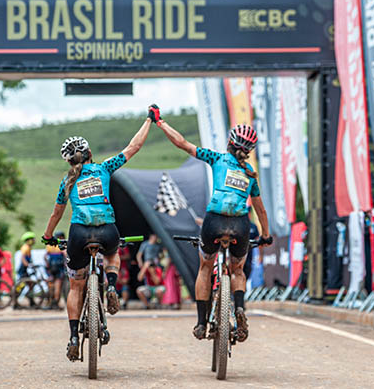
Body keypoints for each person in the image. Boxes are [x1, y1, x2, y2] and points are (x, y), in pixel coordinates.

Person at [153, 111, 272, 342]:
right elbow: (261, 210)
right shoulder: (251, 176)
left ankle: (200, 322)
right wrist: (265, 236)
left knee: (205, 268)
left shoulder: (217, 158)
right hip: (240, 224)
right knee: (237, 270)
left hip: (214, 221)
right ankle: (239, 308)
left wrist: (161, 123)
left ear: (230, 144)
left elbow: (183, 144)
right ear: (249, 151)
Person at [42, 113, 152, 361]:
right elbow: (133, 147)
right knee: (112, 254)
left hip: (78, 234)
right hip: (107, 230)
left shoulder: (67, 181)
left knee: (76, 286)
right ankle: (111, 286)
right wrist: (147, 121)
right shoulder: (104, 168)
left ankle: (72, 336)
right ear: (90, 152)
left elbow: (56, 213)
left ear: (69, 161)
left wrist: (48, 236)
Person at [45, 231, 66, 310]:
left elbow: (45, 256)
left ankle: (50, 302)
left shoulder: (49, 245)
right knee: (58, 285)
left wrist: (47, 265)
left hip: (51, 267)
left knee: (50, 284)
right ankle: (56, 303)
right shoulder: (61, 246)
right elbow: (65, 255)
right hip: (59, 267)